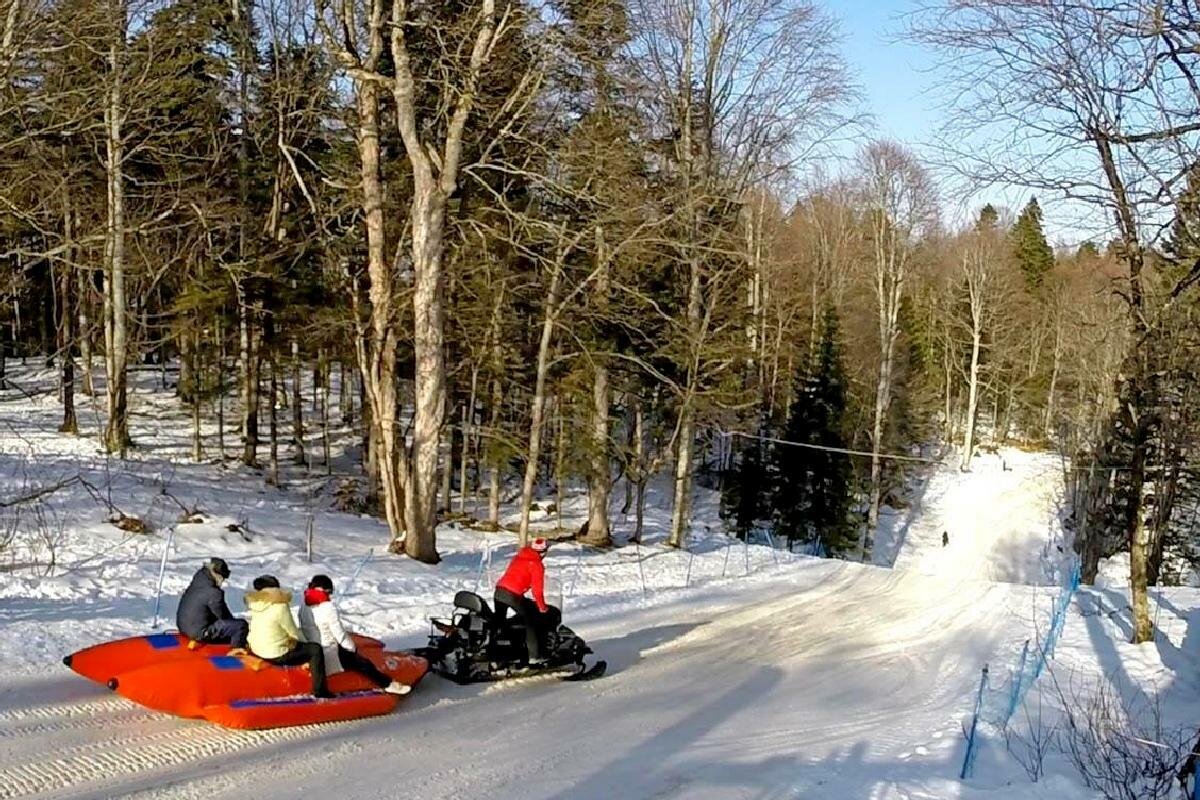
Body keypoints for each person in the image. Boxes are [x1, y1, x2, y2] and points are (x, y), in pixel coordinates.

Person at [299, 574, 410, 696]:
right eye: (329, 593)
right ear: (325, 590)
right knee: (362, 663)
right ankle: (388, 684)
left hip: (314, 651)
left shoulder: (304, 605)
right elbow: (339, 634)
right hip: (328, 652)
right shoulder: (328, 607)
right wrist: (352, 649)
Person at [245, 575, 330, 698]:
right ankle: (320, 690)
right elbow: (293, 632)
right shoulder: (280, 606)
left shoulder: (256, 604)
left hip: (257, 648)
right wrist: (307, 643)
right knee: (315, 649)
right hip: (275, 653)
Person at [495, 537, 552, 665]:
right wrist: (542, 608)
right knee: (531, 621)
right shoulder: (537, 565)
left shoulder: (519, 556)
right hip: (512, 595)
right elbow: (537, 591)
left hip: (499, 592)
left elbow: (515, 576)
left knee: (500, 623)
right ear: (543, 552)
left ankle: (498, 654)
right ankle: (534, 656)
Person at [176, 557, 249, 649]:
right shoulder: (214, 592)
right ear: (218, 576)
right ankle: (237, 651)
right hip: (199, 632)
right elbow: (223, 616)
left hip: (183, 626)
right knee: (240, 626)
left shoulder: (198, 579)